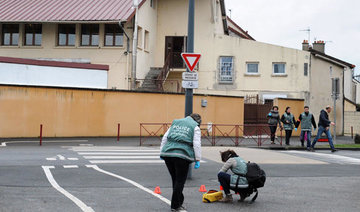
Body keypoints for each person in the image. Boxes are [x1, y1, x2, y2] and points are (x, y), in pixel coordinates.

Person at [160, 113, 202, 212]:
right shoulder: (195, 127)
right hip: (182, 155)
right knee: (180, 181)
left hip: (168, 154)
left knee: (175, 180)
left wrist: (162, 152)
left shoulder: (175, 122)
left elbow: (165, 138)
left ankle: (179, 202)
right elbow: (196, 144)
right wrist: (198, 159)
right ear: (198, 121)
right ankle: (175, 206)